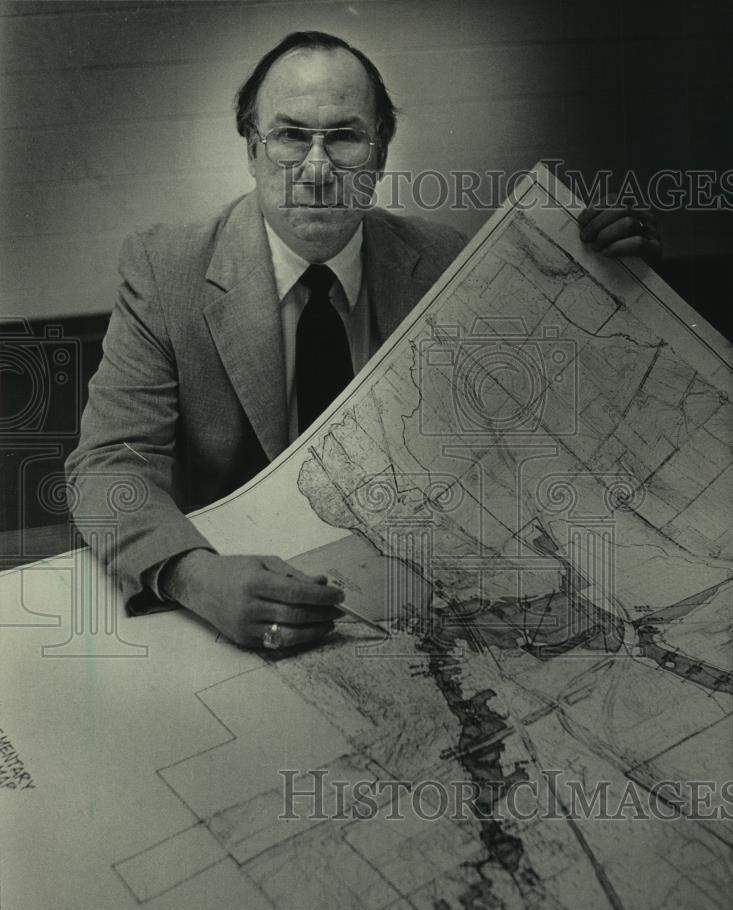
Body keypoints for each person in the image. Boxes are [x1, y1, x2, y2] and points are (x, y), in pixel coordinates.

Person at [65, 31, 661, 652]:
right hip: (230, 599)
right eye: (291, 135)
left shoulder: (444, 263)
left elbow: (550, 425)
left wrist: (619, 284)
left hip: (406, 601)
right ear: (251, 149)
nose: (317, 170)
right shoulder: (166, 269)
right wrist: (198, 576)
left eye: (345, 137)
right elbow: (108, 466)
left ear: (378, 158)